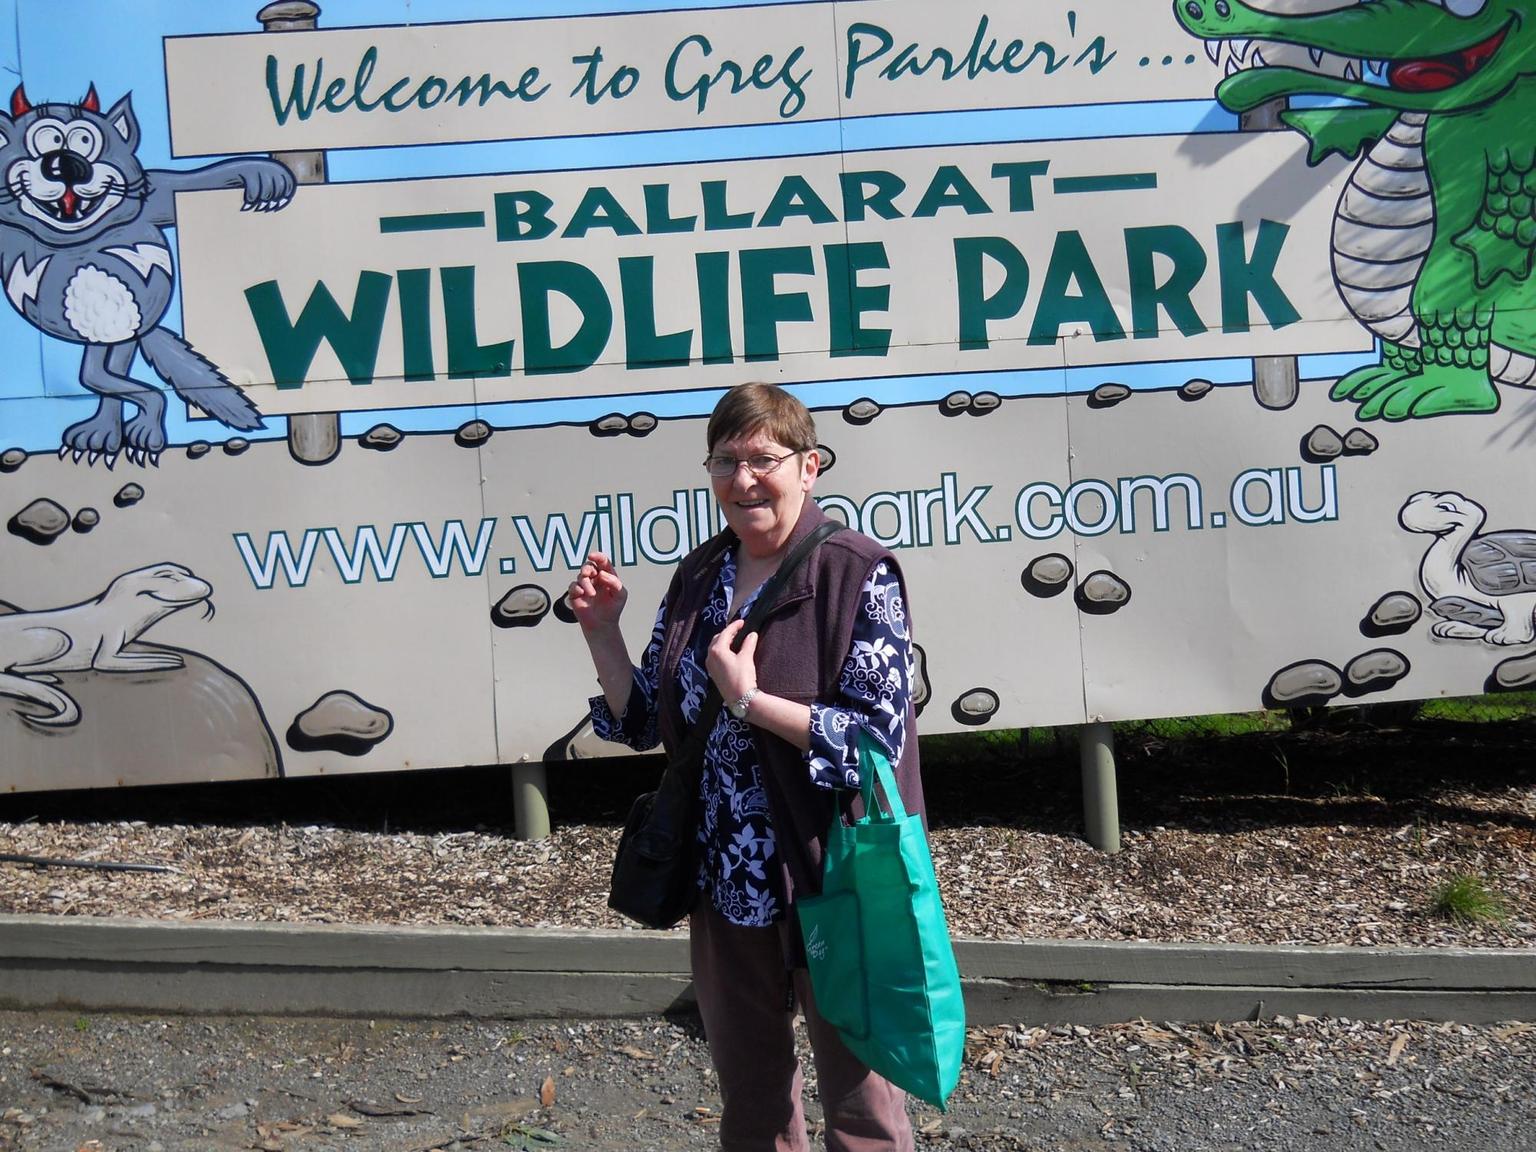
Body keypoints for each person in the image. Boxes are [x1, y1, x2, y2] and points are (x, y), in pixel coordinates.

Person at [569, 382, 924, 1152]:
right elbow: (643, 724)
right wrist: (603, 634)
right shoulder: (701, 577)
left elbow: (874, 740)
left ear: (810, 467)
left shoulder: (856, 573)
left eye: (763, 459)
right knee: (753, 1107)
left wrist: (752, 701)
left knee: (864, 1109)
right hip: (726, 880)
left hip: (833, 876)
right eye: (725, 462)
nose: (743, 480)